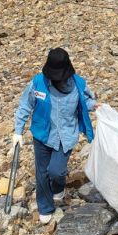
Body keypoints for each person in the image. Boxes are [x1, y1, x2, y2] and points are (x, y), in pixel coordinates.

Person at [12, 48, 96, 223]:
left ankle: (58, 187)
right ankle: (45, 206)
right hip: (42, 135)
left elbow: (86, 101)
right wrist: (17, 132)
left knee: (56, 172)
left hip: (66, 136)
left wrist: (96, 106)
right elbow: (24, 106)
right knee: (42, 172)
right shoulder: (38, 83)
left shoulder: (78, 84)